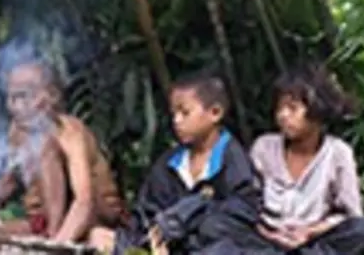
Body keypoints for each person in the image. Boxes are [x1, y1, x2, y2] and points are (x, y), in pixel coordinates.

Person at [90, 71, 262, 255]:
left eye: (185, 113)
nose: (176, 121)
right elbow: (146, 212)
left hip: (214, 246)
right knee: (99, 237)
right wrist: (155, 233)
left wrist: (191, 214)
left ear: (215, 113)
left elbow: (243, 214)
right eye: (174, 114)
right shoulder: (168, 163)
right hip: (166, 247)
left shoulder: (233, 160)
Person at [0, 59, 124, 244]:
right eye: (12, 98)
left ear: (52, 96)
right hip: (41, 224)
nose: (17, 106)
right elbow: (8, 183)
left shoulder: (71, 133)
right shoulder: (18, 131)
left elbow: (85, 202)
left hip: (93, 218)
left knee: (47, 148)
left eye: (25, 96)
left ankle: (55, 234)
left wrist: (57, 245)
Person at [248, 65, 364, 255]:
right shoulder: (264, 147)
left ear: (317, 111)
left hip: (312, 243)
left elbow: (350, 215)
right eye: (279, 108)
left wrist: (310, 232)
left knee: (363, 232)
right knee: (220, 222)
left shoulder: (338, 153)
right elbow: (247, 202)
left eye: (292, 108)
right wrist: (266, 232)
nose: (283, 116)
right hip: (263, 240)